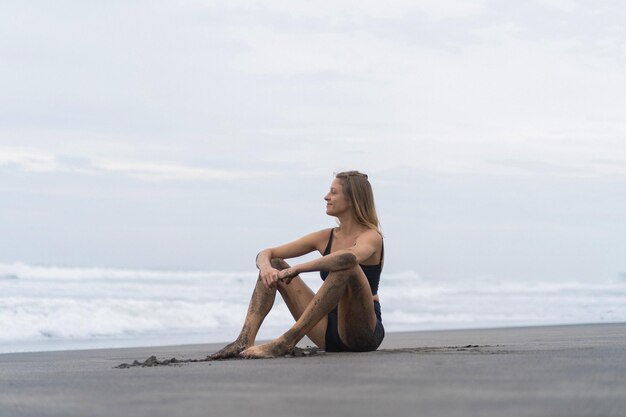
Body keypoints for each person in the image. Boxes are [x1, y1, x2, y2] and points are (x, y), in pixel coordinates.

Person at [210, 170, 385, 359]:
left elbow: (348, 258)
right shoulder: (326, 237)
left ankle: (286, 341)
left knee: (346, 266)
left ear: (352, 199)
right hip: (325, 329)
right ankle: (243, 340)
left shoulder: (371, 236)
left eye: (333, 192)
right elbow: (266, 253)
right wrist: (266, 267)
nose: (326, 197)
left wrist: (297, 269)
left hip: (362, 332)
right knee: (276, 264)